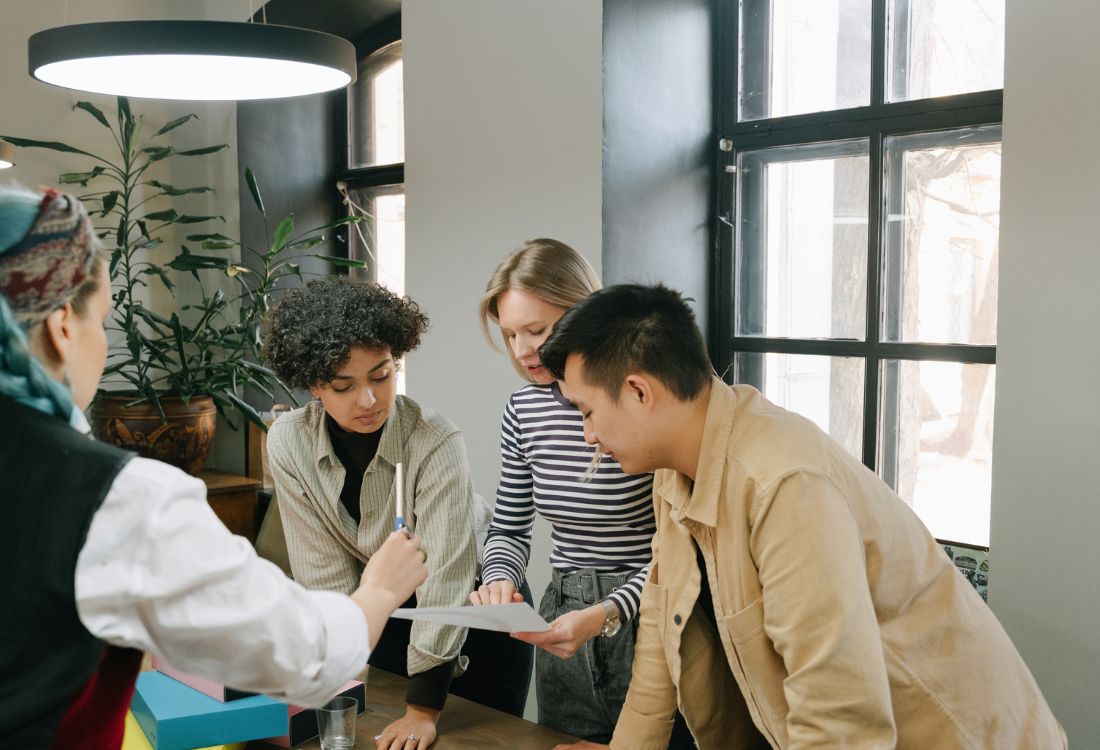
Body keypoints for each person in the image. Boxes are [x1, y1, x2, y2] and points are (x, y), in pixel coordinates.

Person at [538, 282, 1067, 750]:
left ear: (638, 391)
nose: (589, 436)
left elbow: (839, 717)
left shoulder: (782, 482)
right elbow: (660, 632)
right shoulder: (674, 471)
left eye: (587, 412)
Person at [0, 184, 427, 749]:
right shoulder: (110, 500)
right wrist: (378, 589)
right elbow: (303, 657)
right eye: (101, 321)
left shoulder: (429, 438)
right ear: (60, 327)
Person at [263, 276, 532, 750]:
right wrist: (337, 673)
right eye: (344, 386)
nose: (368, 401)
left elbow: (446, 576)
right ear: (313, 385)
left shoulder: (435, 440)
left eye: (382, 376)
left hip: (468, 609)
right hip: (383, 605)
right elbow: (323, 574)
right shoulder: (288, 441)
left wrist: (423, 710)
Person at [472, 239, 692, 747]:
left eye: (537, 330)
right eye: (509, 335)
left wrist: (609, 611)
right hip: (563, 619)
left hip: (650, 616)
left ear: (583, 314)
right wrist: (500, 579)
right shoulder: (523, 411)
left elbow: (681, 551)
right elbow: (509, 526)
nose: (523, 350)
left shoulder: (641, 398)